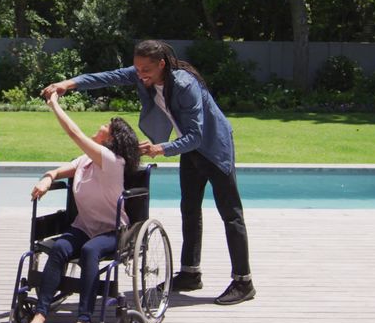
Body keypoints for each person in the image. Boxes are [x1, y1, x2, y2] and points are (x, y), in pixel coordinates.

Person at [41, 39, 255, 306]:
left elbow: (196, 136)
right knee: (189, 209)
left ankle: (243, 281)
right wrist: (68, 84)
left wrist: (160, 149)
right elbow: (107, 77)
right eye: (137, 68)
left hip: (214, 147)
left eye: (146, 70)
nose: (140, 74)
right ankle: (190, 273)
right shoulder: (143, 74)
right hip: (190, 151)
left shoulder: (186, 85)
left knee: (230, 213)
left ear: (161, 64)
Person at [18, 91, 141, 323]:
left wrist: (54, 104)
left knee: (89, 251)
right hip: (84, 226)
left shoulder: (111, 160)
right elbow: (62, 169)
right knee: (60, 248)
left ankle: (84, 322)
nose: (102, 124)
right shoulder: (86, 160)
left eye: (108, 125)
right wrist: (48, 176)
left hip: (111, 230)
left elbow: (75, 134)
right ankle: (40, 317)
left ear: (112, 138)